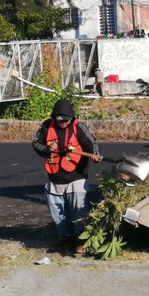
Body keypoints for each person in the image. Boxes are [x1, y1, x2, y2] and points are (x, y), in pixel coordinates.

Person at [32, 99, 101, 254]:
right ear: (54, 117)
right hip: (54, 178)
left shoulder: (79, 128)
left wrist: (95, 154)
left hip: (76, 178)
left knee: (79, 211)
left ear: (71, 118)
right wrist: (48, 148)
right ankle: (64, 238)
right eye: (59, 119)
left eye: (66, 120)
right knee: (57, 213)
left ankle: (80, 240)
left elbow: (93, 144)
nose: (63, 122)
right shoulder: (45, 126)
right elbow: (36, 144)